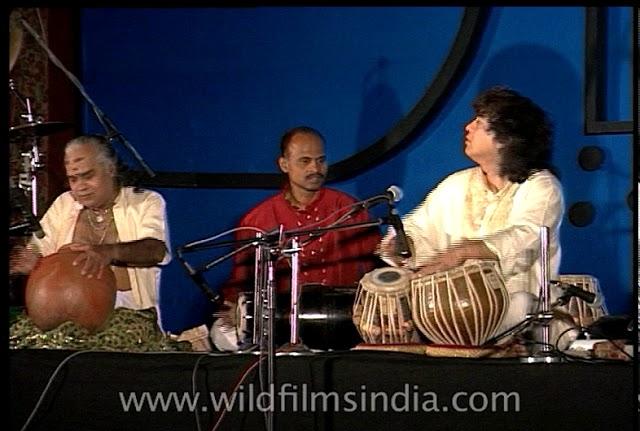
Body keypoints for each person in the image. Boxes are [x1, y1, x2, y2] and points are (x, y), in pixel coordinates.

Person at [378, 86, 565, 343]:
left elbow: (526, 236)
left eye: (478, 123)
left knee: (520, 303)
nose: (467, 128)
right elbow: (419, 228)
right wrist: (404, 243)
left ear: (505, 138)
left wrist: (463, 252)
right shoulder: (457, 184)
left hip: (518, 312)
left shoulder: (541, 186)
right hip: (452, 310)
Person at [9, 134, 188, 351]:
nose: (80, 187)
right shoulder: (65, 204)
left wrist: (108, 252)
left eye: (88, 176)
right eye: (73, 179)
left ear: (110, 169)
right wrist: (28, 261)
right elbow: (38, 249)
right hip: (62, 326)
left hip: (128, 318)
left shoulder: (145, 201)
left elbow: (155, 250)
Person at [212, 126, 382, 350]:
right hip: (280, 326)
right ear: (284, 164)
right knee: (221, 334)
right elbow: (240, 284)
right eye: (305, 161)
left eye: (321, 160)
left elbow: (378, 270)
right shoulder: (258, 220)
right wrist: (233, 308)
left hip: (342, 322)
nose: (315, 168)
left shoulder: (349, 210)